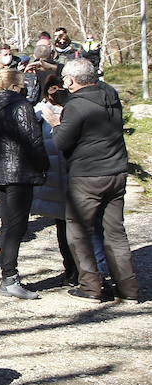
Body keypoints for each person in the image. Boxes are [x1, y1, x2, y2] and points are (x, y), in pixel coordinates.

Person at [55, 58, 141, 302]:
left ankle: (90, 286)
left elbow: (62, 142)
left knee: (78, 231)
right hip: (116, 171)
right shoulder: (110, 94)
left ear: (71, 80)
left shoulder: (76, 105)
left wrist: (55, 125)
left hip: (87, 175)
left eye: (65, 79)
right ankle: (128, 289)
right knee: (115, 232)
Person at [0, 69, 49, 298]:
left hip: (0, 170)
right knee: (16, 227)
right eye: (23, 85)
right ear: (16, 86)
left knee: (7, 225)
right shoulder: (21, 106)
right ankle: (9, 277)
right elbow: (33, 139)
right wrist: (43, 165)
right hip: (19, 171)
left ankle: (8, 276)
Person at [32, 90, 77, 287]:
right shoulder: (46, 116)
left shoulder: (44, 117)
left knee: (67, 228)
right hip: (66, 182)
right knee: (71, 228)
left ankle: (74, 271)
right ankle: (74, 271)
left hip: (61, 182)